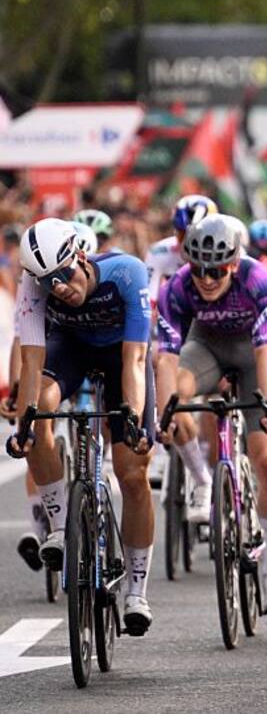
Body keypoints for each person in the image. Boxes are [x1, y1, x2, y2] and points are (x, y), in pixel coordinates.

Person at [9, 218, 157, 634]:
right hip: (70, 347)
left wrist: (132, 417)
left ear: (81, 256)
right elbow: (32, 363)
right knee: (38, 413)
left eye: (63, 274)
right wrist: (24, 426)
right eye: (46, 281)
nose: (57, 286)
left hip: (119, 353)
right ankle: (58, 530)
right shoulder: (33, 287)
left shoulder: (127, 273)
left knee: (132, 472)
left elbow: (136, 361)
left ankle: (136, 591)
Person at [155, 216, 267, 612]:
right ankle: (202, 477)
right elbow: (165, 358)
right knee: (176, 394)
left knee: (264, 458)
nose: (208, 279)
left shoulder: (257, 280)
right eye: (199, 269)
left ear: (233, 264)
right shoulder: (176, 287)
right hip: (206, 349)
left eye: (216, 270)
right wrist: (165, 415)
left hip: (251, 355)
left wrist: (266, 407)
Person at [145, 194, 218, 301]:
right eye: (183, 234)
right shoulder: (158, 251)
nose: (189, 243)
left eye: (198, 236)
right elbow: (149, 301)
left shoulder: (231, 251)